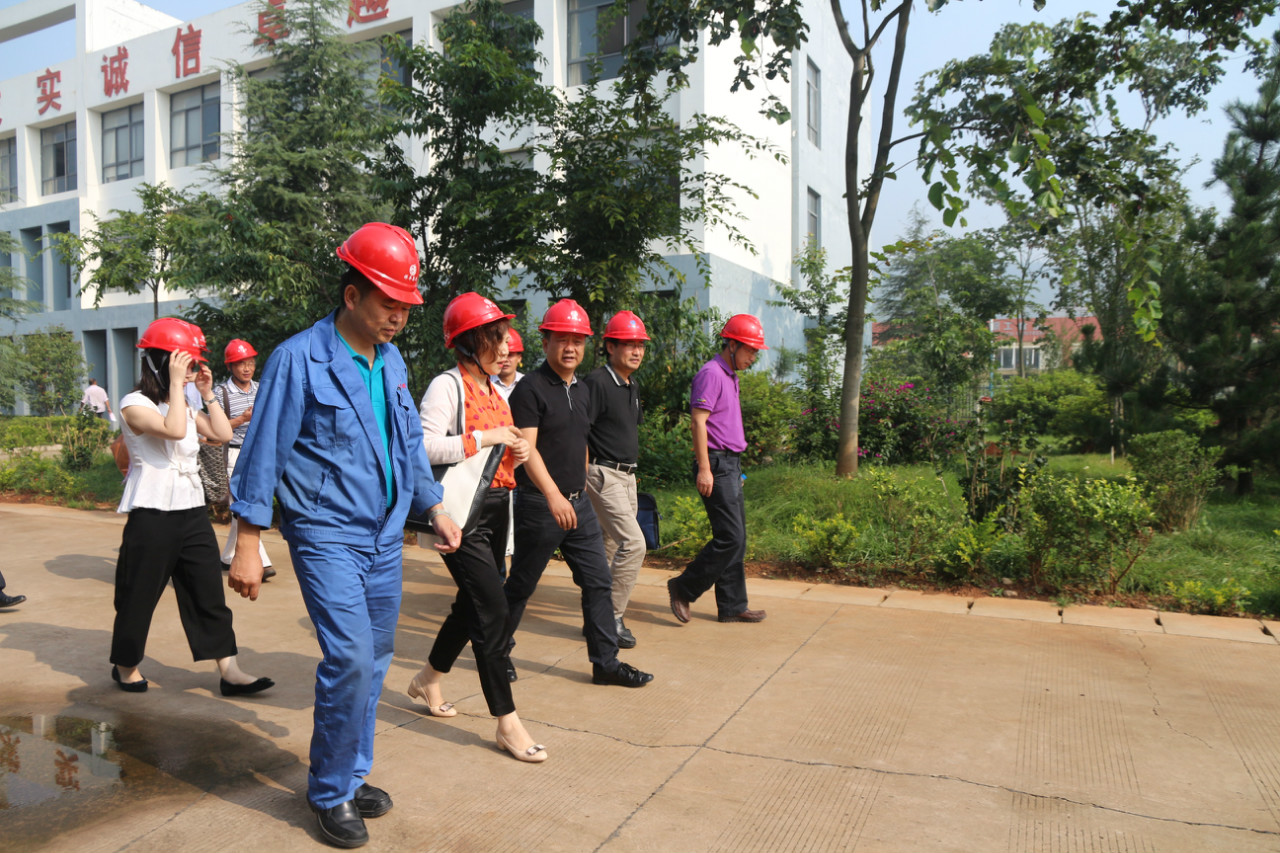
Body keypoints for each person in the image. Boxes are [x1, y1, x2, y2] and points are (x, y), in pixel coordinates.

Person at [227, 222, 462, 850]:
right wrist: (248, 542)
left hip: (384, 535)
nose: (398, 318)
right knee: (351, 658)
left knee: (375, 661)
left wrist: (434, 506)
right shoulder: (298, 359)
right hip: (325, 532)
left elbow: (406, 444)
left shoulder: (391, 361)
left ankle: (352, 774)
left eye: (406, 306)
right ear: (353, 294)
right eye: (389, 303)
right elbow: (263, 451)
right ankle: (330, 791)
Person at [407, 292, 548, 763]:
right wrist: (485, 437)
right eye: (497, 339)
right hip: (460, 514)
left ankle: (428, 678)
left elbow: (495, 459)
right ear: (470, 342)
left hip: (497, 510)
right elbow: (422, 448)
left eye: (505, 339)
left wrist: (516, 451)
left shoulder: (494, 390)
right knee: (492, 610)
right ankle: (507, 722)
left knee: (472, 605)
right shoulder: (447, 386)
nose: (506, 348)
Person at [110, 316, 274, 697]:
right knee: (138, 594)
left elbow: (222, 433)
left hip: (190, 510)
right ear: (161, 361)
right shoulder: (134, 404)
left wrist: (207, 393)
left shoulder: (183, 402)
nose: (191, 369)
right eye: (185, 361)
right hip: (151, 513)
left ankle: (230, 671)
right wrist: (175, 386)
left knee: (207, 593)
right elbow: (173, 430)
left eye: (194, 362)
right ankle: (125, 665)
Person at [503, 299, 653, 688]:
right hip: (541, 504)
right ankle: (496, 652)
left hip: (579, 502)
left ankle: (605, 663)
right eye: (562, 340)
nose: (570, 348)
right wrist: (553, 495)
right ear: (546, 342)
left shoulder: (582, 390)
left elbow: (582, 441)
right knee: (521, 585)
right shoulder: (530, 390)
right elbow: (526, 450)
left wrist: (581, 484)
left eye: (578, 341)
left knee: (598, 582)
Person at [667, 314, 769, 625]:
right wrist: (704, 469)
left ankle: (732, 605)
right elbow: (698, 422)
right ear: (732, 345)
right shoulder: (711, 373)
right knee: (730, 537)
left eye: (756, 352)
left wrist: (737, 470)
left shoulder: (730, 375)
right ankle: (684, 587)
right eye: (750, 350)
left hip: (730, 463)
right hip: (715, 462)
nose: (753, 358)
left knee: (738, 537)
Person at [584, 311, 649, 650]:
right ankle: (610, 617)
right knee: (634, 544)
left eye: (640, 345)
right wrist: (581, 475)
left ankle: (596, 617)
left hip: (627, 476)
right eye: (629, 344)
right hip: (602, 473)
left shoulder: (631, 384)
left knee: (610, 546)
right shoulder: (598, 382)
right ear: (610, 346)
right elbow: (580, 430)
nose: (636, 351)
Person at [215, 339, 274, 580]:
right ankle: (263, 562)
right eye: (240, 364)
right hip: (233, 453)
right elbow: (214, 428)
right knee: (243, 505)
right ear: (230, 366)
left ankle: (227, 557)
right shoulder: (221, 393)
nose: (247, 368)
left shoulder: (262, 389)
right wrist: (241, 419)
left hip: (259, 453)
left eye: (250, 363)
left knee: (242, 505)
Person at [490, 328, 524, 402]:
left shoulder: (527, 383)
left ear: (519, 358)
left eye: (510, 355)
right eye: (501, 354)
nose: (505, 360)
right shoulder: (485, 383)